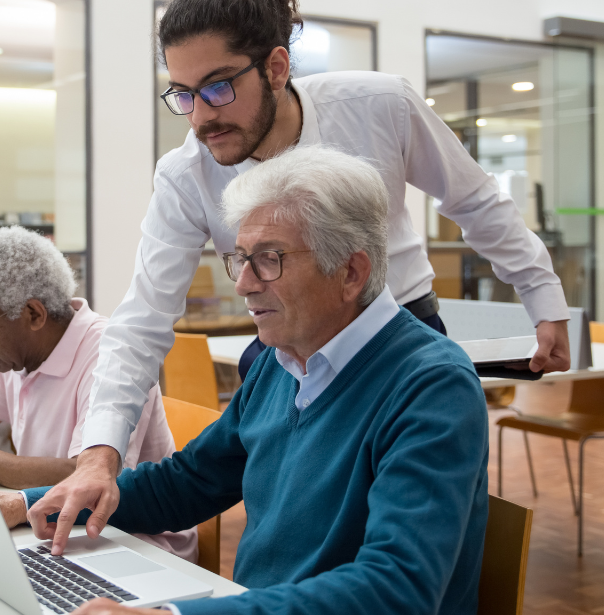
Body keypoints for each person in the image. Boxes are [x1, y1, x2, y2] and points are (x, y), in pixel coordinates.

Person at [29, 0, 570, 554]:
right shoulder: (187, 172)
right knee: (291, 536)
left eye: (217, 87)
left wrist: (543, 298)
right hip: (289, 352)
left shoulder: (378, 105)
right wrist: (98, 455)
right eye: (183, 94)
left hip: (398, 335)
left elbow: (475, 201)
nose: (200, 117)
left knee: (396, 541)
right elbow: (142, 320)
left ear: (277, 67)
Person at [4, 147, 489, 615]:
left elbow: (397, 588)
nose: (243, 283)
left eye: (270, 258)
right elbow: (189, 483)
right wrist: (29, 506)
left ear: (351, 271)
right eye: (241, 258)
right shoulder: (280, 363)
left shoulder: (431, 385)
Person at [0, 226, 197, 563]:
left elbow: (89, 475)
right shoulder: (16, 357)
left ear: (34, 315)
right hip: (57, 524)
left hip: (135, 539)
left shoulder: (111, 356)